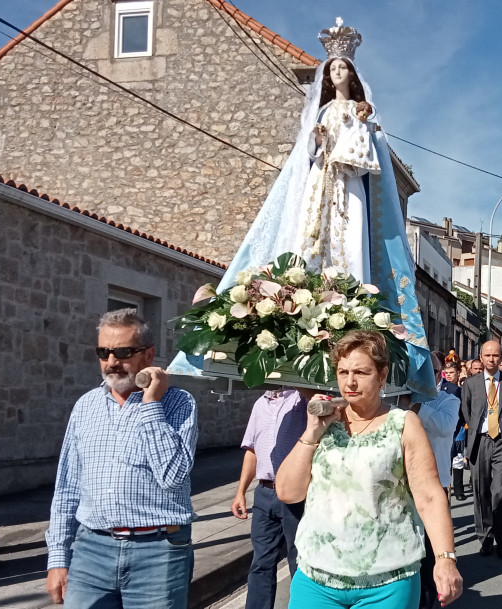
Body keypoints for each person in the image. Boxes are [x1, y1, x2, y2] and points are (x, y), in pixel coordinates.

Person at [169, 18, 435, 402]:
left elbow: (370, 160)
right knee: (312, 243)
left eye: (344, 68)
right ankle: (313, 299)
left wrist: (359, 133)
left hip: (350, 190)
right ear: (328, 77)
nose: (339, 72)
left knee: (351, 244)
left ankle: (352, 307)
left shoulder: (364, 113)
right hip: (319, 188)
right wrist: (317, 139)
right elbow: (307, 153)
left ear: (353, 75)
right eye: (334, 69)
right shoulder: (324, 111)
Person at [276, 331, 462, 608]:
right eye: (343, 372)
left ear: (382, 375)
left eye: (361, 372)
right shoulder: (325, 422)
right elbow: (288, 492)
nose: (350, 381)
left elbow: (430, 496)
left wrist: (445, 559)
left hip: (387, 581)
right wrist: (312, 432)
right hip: (317, 577)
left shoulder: (403, 423)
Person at [45, 309, 198, 607]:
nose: (112, 362)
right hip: (91, 551)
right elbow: (67, 489)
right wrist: (58, 558)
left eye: (123, 352)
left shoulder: (179, 403)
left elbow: (173, 476)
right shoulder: (85, 406)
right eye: (103, 352)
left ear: (148, 355)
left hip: (158, 552)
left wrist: (151, 404)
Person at [231, 389, 308, 609]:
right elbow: (252, 450)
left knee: (299, 559)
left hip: (296, 495)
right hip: (264, 493)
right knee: (261, 562)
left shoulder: (300, 399)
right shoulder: (259, 404)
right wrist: (241, 492)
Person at [460, 340, 502, 558]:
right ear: (481, 356)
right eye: (487, 355)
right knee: (481, 492)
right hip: (480, 441)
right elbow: (467, 413)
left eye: (495, 355)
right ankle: (485, 538)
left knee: (501, 492)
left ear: (501, 358)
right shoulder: (470, 384)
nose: (491, 359)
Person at [412, 353, 462, 609]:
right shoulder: (400, 401)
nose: (425, 376)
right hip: (405, 485)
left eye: (430, 370)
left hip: (436, 484)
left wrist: (417, 407)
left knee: (431, 553)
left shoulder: (449, 400)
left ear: (440, 373)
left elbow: (445, 427)